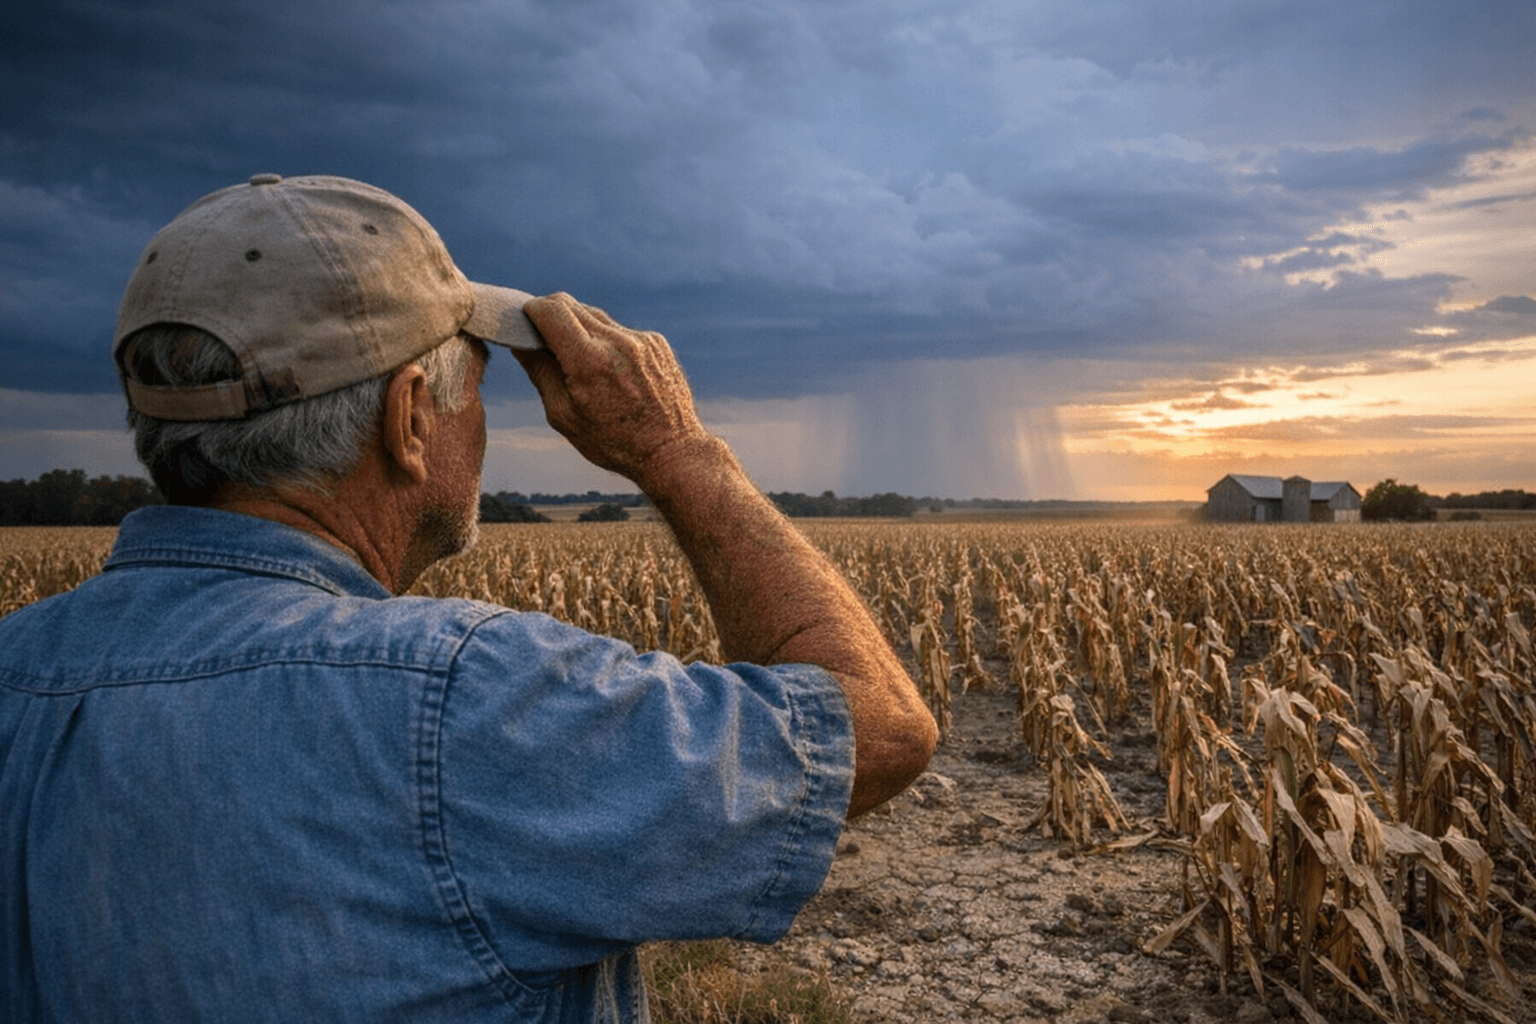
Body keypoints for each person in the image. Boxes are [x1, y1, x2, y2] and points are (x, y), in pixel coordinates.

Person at [0, 174, 937, 1023]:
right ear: (409, 418)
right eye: (477, 386)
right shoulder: (463, 702)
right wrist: (675, 450)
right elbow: (878, 732)